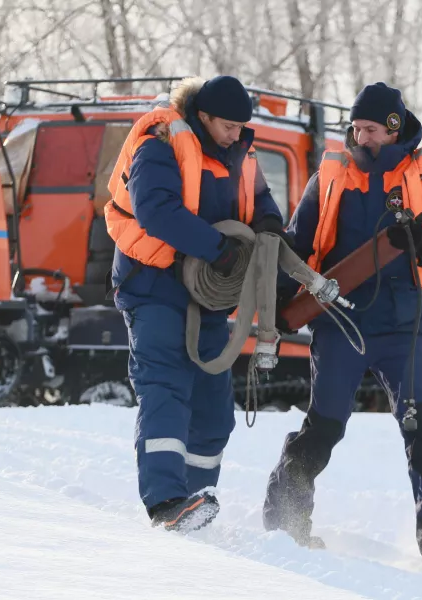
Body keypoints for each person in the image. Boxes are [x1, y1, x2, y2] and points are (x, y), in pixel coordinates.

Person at [262, 82, 422, 570]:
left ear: (395, 128)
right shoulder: (332, 173)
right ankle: (285, 524)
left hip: (407, 326)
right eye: (356, 128)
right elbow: (298, 243)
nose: (361, 137)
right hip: (339, 322)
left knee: (421, 429)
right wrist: (276, 298)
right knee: (323, 428)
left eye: (372, 129)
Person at [105, 75, 291, 533]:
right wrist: (218, 249)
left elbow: (262, 198)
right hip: (154, 286)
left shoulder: (239, 151)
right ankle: (167, 503)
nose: (235, 134)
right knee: (166, 388)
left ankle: (198, 501)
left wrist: (268, 223)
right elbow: (155, 210)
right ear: (203, 116)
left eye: (239, 127)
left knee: (212, 407)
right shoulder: (160, 142)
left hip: (207, 295)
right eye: (228, 126)